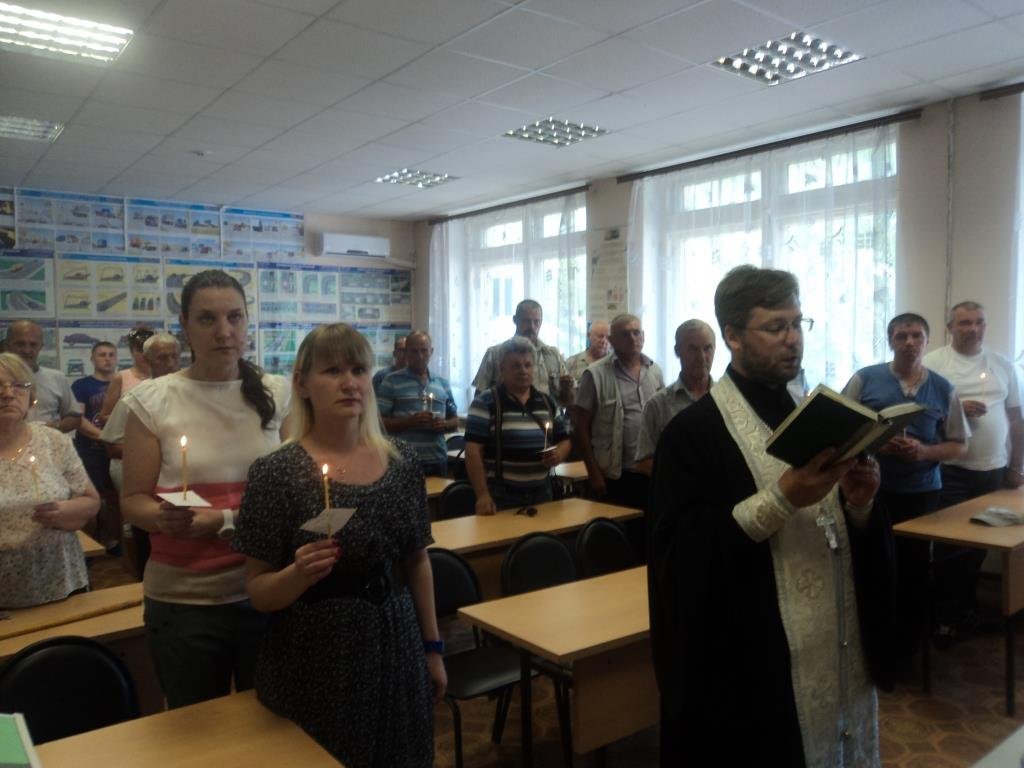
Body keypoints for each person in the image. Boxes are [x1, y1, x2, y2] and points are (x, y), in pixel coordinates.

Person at [648, 265, 895, 767]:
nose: (792, 339)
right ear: (733, 336)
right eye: (776, 326)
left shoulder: (815, 414)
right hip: (754, 665)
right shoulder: (692, 434)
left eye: (798, 323)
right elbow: (681, 558)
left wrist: (860, 502)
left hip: (836, 642)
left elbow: (838, 527)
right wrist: (782, 498)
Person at [233, 323, 444, 767]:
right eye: (332, 371)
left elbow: (418, 561)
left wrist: (432, 648)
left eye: (358, 370)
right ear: (302, 384)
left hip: (396, 642)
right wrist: (297, 574)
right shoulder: (276, 472)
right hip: (318, 655)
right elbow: (258, 591)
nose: (349, 383)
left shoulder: (402, 461)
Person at [121, 269, 290, 709]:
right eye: (207, 319)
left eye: (235, 317)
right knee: (195, 727)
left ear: (247, 321)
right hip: (183, 600)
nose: (224, 331)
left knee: (268, 720)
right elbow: (133, 501)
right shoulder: (152, 400)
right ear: (185, 326)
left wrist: (225, 520)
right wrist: (163, 518)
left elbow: (296, 498)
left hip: (265, 587)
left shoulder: (279, 393)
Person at [843, 312, 968, 663]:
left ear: (927, 342)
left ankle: (908, 652)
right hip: (871, 490)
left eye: (916, 336)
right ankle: (871, 645)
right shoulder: (865, 379)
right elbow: (841, 429)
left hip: (921, 493)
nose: (909, 342)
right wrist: (878, 444)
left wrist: (923, 451)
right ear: (890, 341)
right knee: (873, 565)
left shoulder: (943, 388)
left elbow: (959, 445)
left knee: (914, 570)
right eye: (901, 336)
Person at [923, 301, 1021, 641]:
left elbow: (1016, 419)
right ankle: (944, 617)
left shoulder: (1002, 365)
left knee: (979, 545)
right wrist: (956, 409)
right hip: (952, 470)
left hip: (993, 469)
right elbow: (920, 416)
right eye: (965, 323)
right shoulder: (933, 364)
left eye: (979, 322)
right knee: (951, 548)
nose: (973, 329)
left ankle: (966, 610)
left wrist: (1017, 466)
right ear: (950, 327)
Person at [0, 352, 100, 608]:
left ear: (31, 396)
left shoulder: (53, 441)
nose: (8, 393)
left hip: (60, 580)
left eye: (18, 385)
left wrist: (64, 511)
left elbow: (91, 501)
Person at [101, 332, 182, 576]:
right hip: (147, 487)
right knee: (146, 542)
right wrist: (153, 452)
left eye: (174, 357)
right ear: (147, 361)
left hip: (182, 483)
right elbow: (111, 446)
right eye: (162, 358)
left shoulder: (194, 394)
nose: (170, 364)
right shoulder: (137, 398)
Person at [465, 336, 571, 514]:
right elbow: (473, 451)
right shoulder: (486, 402)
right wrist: (482, 495)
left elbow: (565, 440)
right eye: (516, 366)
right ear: (502, 369)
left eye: (528, 365)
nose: (523, 371)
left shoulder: (547, 402)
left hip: (542, 492)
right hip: (502, 495)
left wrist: (559, 454)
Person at [576, 313, 664, 507]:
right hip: (614, 475)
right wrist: (593, 472)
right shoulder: (595, 374)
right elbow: (580, 427)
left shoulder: (655, 371)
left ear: (643, 336)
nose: (632, 338)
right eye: (625, 334)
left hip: (651, 472)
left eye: (636, 333)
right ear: (612, 340)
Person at [634, 319, 715, 476]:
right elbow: (643, 462)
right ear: (677, 351)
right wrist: (685, 476)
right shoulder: (658, 405)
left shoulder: (727, 400)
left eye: (707, 348)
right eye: (692, 349)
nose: (701, 357)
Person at [377, 330, 458, 477]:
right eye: (414, 351)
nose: (420, 356)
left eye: (424, 351)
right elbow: (378, 422)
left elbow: (455, 419)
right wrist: (409, 422)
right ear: (406, 353)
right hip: (403, 461)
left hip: (437, 459)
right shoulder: (391, 381)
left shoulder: (442, 383)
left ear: (431, 351)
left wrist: (444, 424)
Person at [472, 299, 574, 406]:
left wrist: (567, 389)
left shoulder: (553, 355)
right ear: (515, 320)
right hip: (505, 414)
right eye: (526, 321)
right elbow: (479, 399)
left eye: (536, 322)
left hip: (545, 414)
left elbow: (566, 403)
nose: (531, 327)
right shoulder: (495, 354)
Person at [71, 341, 118, 551]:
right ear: (92, 359)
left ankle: (113, 541)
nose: (107, 359)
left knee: (116, 500)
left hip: (117, 453)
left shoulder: (123, 383)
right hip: (90, 453)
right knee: (88, 501)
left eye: (111, 354)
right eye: (102, 355)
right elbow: (79, 420)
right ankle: (88, 548)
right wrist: (105, 436)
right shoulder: (82, 385)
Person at [5, 320, 80, 432]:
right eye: (20, 344)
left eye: (33, 345)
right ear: (7, 345)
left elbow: (74, 418)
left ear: (41, 346)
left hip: (47, 441)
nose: (27, 350)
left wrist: (53, 429)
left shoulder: (57, 378)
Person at [97, 326, 154, 427]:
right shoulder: (121, 378)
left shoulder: (164, 377)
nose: (144, 354)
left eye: (148, 349)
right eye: (140, 350)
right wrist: (132, 422)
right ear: (132, 351)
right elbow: (104, 416)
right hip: (129, 434)